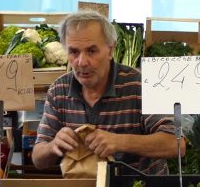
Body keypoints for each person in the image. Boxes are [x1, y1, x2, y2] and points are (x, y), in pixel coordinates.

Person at [33, 11, 184, 174]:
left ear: (111, 50)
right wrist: (53, 146)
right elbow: (38, 158)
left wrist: (120, 142)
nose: (82, 62)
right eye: (74, 52)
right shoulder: (59, 91)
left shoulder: (139, 85)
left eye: (91, 51)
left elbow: (176, 144)